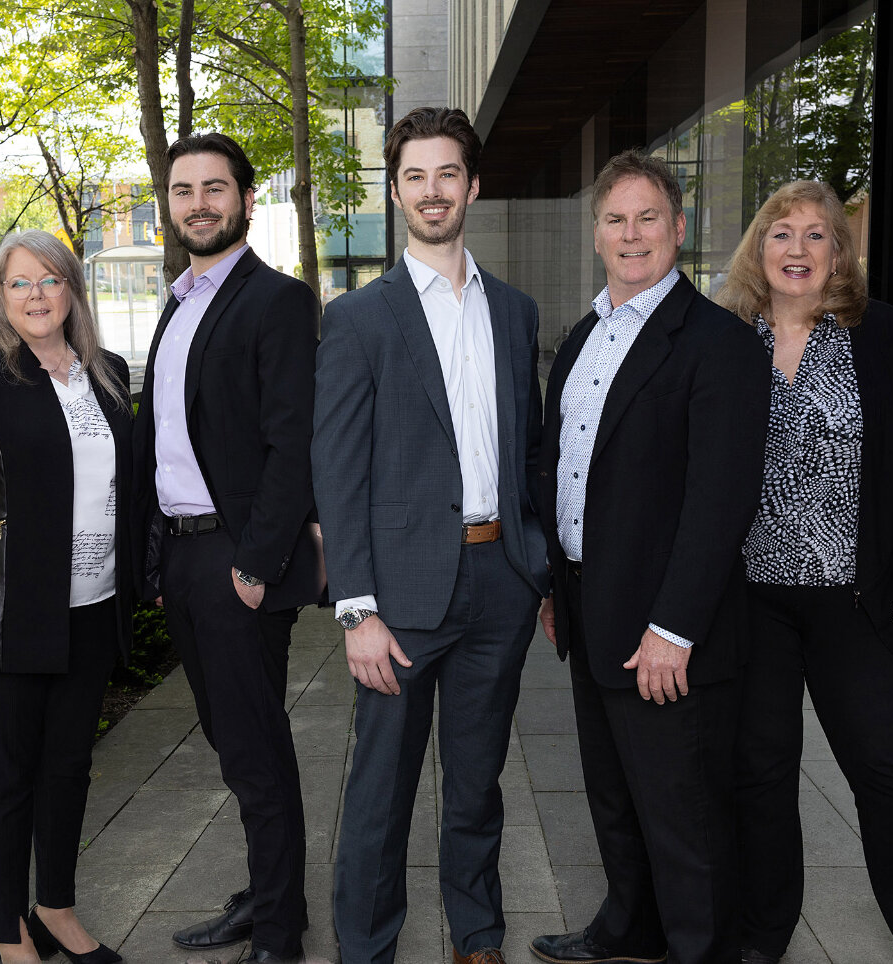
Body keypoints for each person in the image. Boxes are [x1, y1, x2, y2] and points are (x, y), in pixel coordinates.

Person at [313, 106, 548, 964]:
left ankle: (475, 934)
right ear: (397, 190)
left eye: (447, 173)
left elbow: (528, 455)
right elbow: (337, 471)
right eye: (414, 175)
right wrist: (356, 609)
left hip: (500, 583)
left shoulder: (516, 313)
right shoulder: (358, 320)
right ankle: (367, 948)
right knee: (381, 790)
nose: (432, 190)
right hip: (399, 599)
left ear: (472, 186)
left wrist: (539, 573)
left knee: (477, 783)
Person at [716, 180, 893, 964]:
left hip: (855, 603)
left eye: (816, 235)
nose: (797, 249)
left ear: (839, 252)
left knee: (888, 773)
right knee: (758, 775)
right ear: (759, 248)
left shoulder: (882, 334)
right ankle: (762, 934)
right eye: (781, 234)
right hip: (752, 602)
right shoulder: (728, 337)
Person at [531, 149, 771, 964]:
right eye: (614, 219)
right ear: (596, 233)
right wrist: (557, 585)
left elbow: (720, 501)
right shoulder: (582, 338)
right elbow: (564, 468)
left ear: (678, 228)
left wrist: (675, 628)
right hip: (591, 607)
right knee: (615, 796)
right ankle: (629, 927)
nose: (630, 235)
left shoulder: (720, 345)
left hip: (664, 631)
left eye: (647, 218)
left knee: (686, 816)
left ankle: (702, 950)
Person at [131, 132, 322, 964]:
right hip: (186, 556)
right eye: (183, 190)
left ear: (246, 201)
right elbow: (167, 439)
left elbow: (294, 444)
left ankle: (279, 933)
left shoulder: (275, 299)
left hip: (238, 559)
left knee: (255, 750)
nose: (198, 203)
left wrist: (256, 563)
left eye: (215, 189)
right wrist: (159, 562)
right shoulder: (179, 300)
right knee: (230, 742)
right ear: (169, 203)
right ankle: (268, 893)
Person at [0, 230, 133, 964]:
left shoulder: (106, 373)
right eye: (20, 283)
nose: (37, 295)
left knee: (68, 770)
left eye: (50, 279)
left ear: (73, 288)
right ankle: (10, 934)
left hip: (92, 611)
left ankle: (57, 907)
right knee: (7, 780)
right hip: (6, 616)